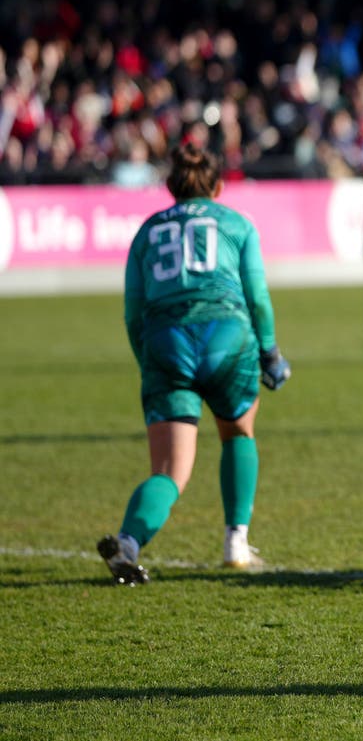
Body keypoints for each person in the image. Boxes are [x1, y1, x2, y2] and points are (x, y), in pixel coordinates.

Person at [98, 143, 292, 585]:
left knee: (169, 471)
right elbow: (258, 298)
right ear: (219, 186)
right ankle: (236, 543)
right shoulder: (237, 223)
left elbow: (133, 312)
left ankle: (128, 542)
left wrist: (147, 360)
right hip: (227, 337)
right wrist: (270, 352)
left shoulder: (147, 232)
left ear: (170, 186)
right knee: (238, 432)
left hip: (166, 343)